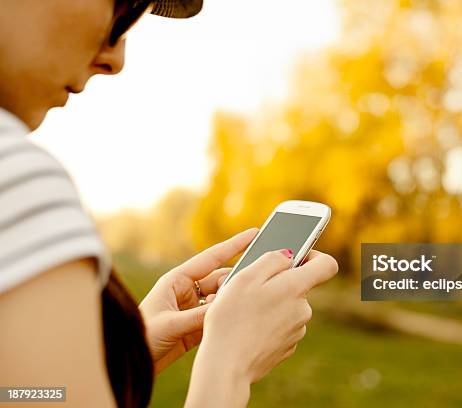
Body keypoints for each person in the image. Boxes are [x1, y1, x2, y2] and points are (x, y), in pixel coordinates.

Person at [0, 1, 339, 407]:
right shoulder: (17, 178)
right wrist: (227, 369)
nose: (116, 57)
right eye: (120, 10)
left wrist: (126, 360)